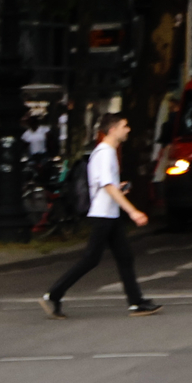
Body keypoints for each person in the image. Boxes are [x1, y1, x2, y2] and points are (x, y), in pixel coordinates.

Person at [44, 112, 160, 319]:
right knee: (90, 259)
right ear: (113, 129)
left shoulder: (106, 152)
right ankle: (54, 294)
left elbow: (108, 185)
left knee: (124, 257)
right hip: (103, 215)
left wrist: (119, 188)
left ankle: (136, 302)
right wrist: (132, 211)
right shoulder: (106, 153)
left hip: (109, 214)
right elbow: (107, 186)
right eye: (125, 126)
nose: (128, 129)